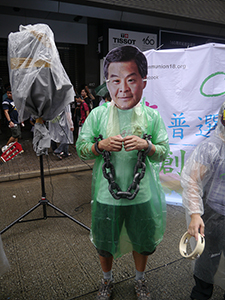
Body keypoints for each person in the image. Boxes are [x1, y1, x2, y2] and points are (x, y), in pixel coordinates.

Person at [76, 45, 169, 300]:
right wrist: (99, 145)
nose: (123, 88)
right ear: (107, 82)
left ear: (143, 82)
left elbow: (163, 151)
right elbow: (81, 149)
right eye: (115, 80)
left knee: (143, 240)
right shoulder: (97, 116)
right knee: (105, 243)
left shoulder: (151, 117)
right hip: (107, 196)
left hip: (142, 195)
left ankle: (140, 279)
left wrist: (148, 146)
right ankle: (107, 280)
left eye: (131, 80)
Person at [181, 101, 225, 300]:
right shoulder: (212, 148)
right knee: (206, 264)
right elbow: (193, 180)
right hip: (212, 218)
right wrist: (195, 214)